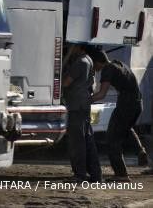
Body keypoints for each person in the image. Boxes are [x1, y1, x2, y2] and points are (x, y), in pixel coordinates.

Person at [90, 50, 147, 181]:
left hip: (126, 104)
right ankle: (140, 150)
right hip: (138, 103)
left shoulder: (107, 70)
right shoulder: (118, 63)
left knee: (112, 137)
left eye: (94, 65)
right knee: (126, 128)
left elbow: (101, 94)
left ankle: (121, 174)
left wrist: (85, 100)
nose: (94, 68)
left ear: (98, 62)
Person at [62, 44, 102, 182]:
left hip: (77, 106)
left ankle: (80, 175)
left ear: (79, 47)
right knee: (87, 140)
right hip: (83, 104)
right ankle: (95, 174)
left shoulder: (80, 62)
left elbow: (66, 82)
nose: (69, 49)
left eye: (72, 47)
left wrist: (66, 59)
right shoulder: (89, 60)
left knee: (77, 141)